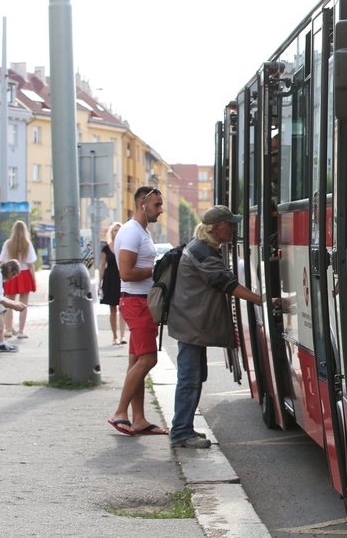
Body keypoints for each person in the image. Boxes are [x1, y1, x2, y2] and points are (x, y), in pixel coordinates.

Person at [167, 205, 265, 449]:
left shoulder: (201, 247)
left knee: (194, 377)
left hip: (190, 324)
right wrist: (263, 300)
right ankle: (180, 432)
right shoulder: (202, 252)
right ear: (214, 227)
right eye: (228, 223)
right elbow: (227, 284)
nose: (232, 228)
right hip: (190, 326)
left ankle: (184, 428)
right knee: (189, 378)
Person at [107, 186, 167, 437]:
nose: (160, 210)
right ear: (143, 203)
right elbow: (126, 273)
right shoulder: (132, 231)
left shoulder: (141, 231)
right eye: (156, 205)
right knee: (148, 359)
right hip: (136, 302)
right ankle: (120, 413)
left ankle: (139, 419)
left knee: (136, 361)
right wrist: (157, 270)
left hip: (142, 301)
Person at [0, 220, 37, 339]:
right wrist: (34, 279)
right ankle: (21, 331)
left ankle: (9, 329)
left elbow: (2, 261)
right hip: (25, 274)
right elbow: (30, 264)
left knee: (9, 303)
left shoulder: (8, 244)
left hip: (11, 274)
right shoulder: (27, 244)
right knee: (23, 304)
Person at [99, 222, 125, 345]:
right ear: (111, 232)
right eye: (115, 230)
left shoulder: (125, 246)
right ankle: (115, 336)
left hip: (121, 279)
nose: (117, 232)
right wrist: (100, 282)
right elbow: (102, 265)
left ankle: (123, 336)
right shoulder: (106, 248)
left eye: (119, 230)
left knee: (123, 308)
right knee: (112, 309)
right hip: (110, 279)